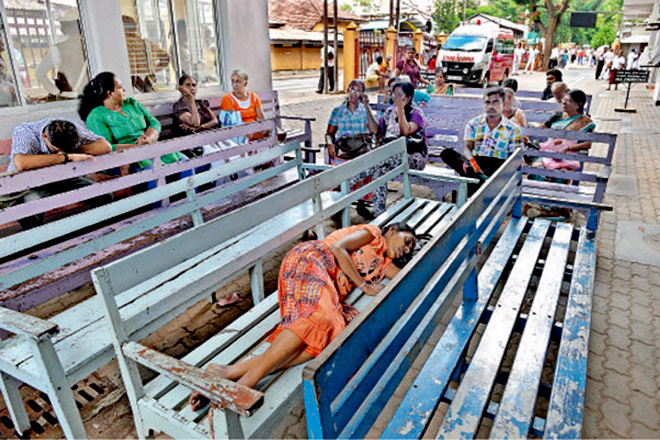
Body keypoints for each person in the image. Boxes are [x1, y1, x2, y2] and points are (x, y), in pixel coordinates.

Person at [187, 222, 422, 404]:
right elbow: (338, 248)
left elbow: (411, 275)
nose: (406, 248)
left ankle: (227, 372)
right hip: (313, 260)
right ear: (393, 230)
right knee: (319, 319)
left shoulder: (383, 265)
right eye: (408, 240)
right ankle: (245, 383)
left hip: (328, 290)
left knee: (331, 335)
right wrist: (364, 286)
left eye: (409, 249)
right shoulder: (373, 234)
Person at [6, 119, 113, 229]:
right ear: (44, 136)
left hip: (61, 178)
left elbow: (105, 147)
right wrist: (67, 157)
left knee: (103, 195)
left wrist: (74, 150)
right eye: (56, 148)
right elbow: (21, 163)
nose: (61, 151)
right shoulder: (26, 132)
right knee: (28, 210)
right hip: (29, 184)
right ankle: (41, 239)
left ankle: (92, 232)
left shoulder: (71, 129)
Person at [80, 72, 185, 172]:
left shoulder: (131, 103)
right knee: (153, 170)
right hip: (129, 159)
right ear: (109, 93)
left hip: (152, 147)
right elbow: (107, 147)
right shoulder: (96, 116)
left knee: (184, 162)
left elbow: (154, 123)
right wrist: (137, 147)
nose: (124, 89)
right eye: (120, 88)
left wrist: (148, 138)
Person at [440, 87, 523, 194]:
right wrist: (473, 163)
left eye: (495, 102)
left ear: (503, 104)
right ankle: (478, 177)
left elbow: (514, 159)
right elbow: (467, 148)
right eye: (487, 102)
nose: (490, 106)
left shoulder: (513, 129)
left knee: (472, 177)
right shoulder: (473, 124)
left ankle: (477, 179)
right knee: (447, 153)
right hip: (475, 162)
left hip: (498, 166)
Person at [325, 79, 379, 218]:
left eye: (358, 91)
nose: (354, 93)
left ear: (362, 94)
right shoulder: (338, 111)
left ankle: (361, 204)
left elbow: (374, 130)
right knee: (341, 168)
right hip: (344, 151)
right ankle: (339, 204)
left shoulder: (365, 110)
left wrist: (367, 107)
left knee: (368, 165)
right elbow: (329, 134)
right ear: (348, 90)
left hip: (361, 151)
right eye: (352, 89)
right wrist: (330, 144)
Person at [376, 81, 428, 215]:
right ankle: (379, 211)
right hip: (391, 157)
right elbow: (378, 132)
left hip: (413, 157)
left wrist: (400, 110)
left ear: (409, 98)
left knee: (377, 163)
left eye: (400, 95)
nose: (396, 98)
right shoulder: (389, 112)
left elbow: (405, 131)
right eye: (395, 94)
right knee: (378, 171)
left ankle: (349, 182)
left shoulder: (416, 113)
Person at [35, 10, 89, 99]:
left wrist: (56, 91)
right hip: (90, 98)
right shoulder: (90, 47)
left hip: (68, 99)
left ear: (63, 29)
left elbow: (39, 73)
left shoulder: (57, 49)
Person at [122, 15, 170, 93]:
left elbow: (132, 67)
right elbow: (166, 58)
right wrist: (153, 70)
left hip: (133, 87)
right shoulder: (147, 44)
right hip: (148, 85)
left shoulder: (124, 44)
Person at [173, 74, 219, 139]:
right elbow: (195, 124)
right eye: (188, 85)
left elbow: (215, 121)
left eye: (194, 85)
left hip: (211, 135)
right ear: (181, 88)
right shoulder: (179, 106)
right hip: (193, 140)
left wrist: (202, 127)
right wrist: (192, 101)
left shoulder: (201, 103)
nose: (192, 88)